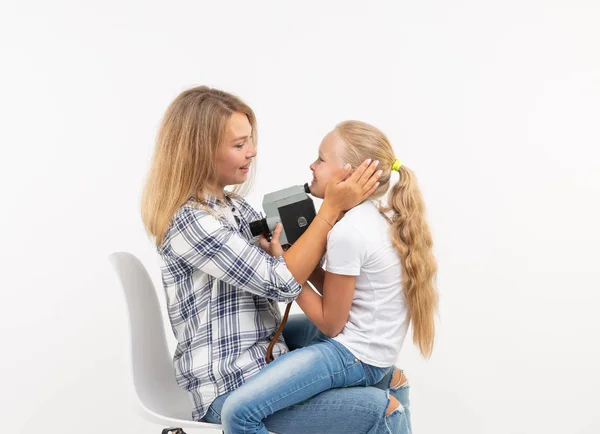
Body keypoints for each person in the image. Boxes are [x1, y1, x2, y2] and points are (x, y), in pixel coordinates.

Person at [141, 86, 410, 433]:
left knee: (377, 360)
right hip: (229, 388)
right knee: (381, 408)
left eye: (250, 141)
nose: (252, 152)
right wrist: (330, 210)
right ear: (199, 152)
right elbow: (280, 281)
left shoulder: (236, 208)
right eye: (239, 145)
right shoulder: (190, 221)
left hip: (264, 356)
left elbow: (283, 266)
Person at [220, 120, 438, 434]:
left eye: (321, 159)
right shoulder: (372, 217)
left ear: (348, 174)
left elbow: (331, 322)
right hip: (370, 348)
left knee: (237, 412)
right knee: (268, 331)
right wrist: (292, 259)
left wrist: (286, 271)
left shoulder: (348, 232)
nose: (312, 164)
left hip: (352, 355)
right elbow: (341, 291)